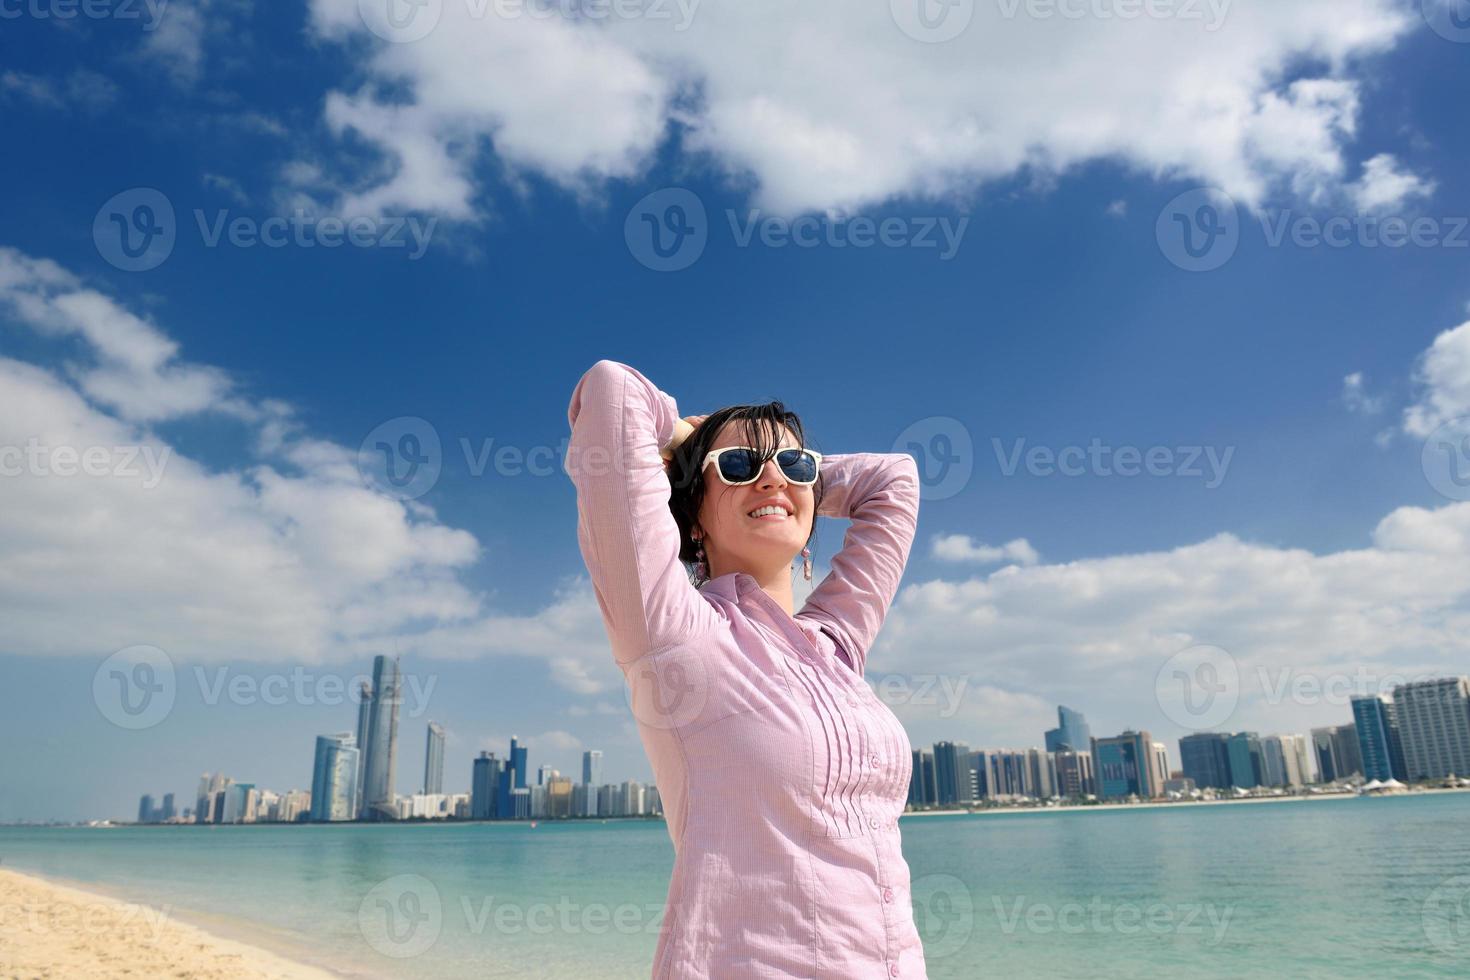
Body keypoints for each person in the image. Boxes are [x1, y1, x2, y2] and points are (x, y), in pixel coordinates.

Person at [564, 358, 926, 978]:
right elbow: (612, 392)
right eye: (739, 468)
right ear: (693, 516)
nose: (770, 481)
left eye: (793, 465)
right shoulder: (675, 633)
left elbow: (894, 481)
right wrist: (689, 444)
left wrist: (780, 474)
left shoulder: (834, 648)